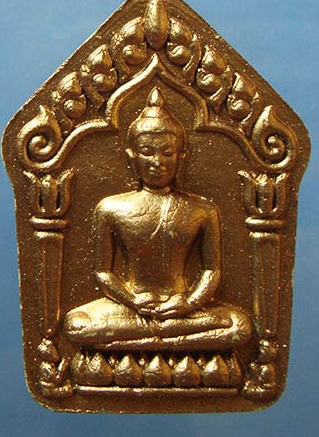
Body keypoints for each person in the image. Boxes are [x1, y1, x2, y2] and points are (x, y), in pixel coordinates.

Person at [62, 87, 251, 351]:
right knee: (76, 324)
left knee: (239, 325)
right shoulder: (111, 208)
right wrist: (132, 300)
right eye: (147, 151)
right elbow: (103, 273)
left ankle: (144, 342)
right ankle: (172, 342)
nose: (157, 161)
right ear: (132, 157)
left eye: (167, 152)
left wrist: (189, 302)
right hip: (130, 307)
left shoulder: (202, 209)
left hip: (182, 308)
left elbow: (212, 271)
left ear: (181, 157)